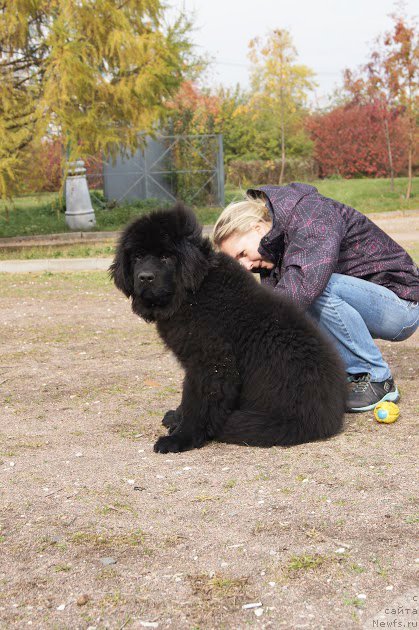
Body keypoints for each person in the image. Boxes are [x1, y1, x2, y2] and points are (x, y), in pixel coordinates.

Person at [212, 183, 419, 412]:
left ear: (258, 228)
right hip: (367, 304)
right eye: (236, 262)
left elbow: (299, 289)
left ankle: (378, 379)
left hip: (401, 305)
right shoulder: (274, 251)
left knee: (311, 286)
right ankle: (352, 377)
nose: (246, 266)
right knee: (293, 303)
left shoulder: (312, 215)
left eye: (241, 253)